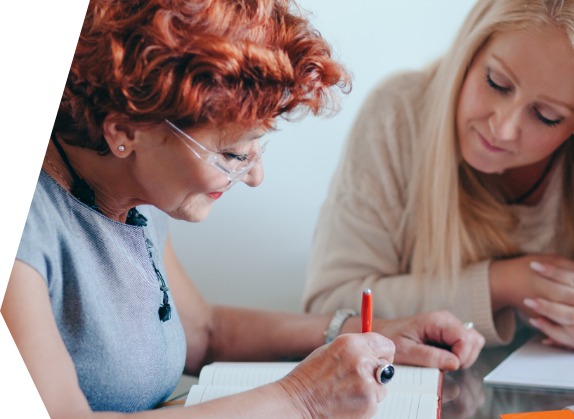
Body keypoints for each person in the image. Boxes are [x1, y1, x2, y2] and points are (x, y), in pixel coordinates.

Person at [1, 0, 484, 417]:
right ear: (125, 129)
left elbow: (205, 331)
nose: (255, 177)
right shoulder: (24, 222)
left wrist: (366, 330)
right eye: (234, 155)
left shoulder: (130, 199)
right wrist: (301, 401)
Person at [304, 0, 574, 350]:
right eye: (497, 83)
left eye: (547, 115)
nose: (503, 129)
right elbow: (328, 308)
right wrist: (501, 285)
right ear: (468, 54)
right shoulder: (399, 114)